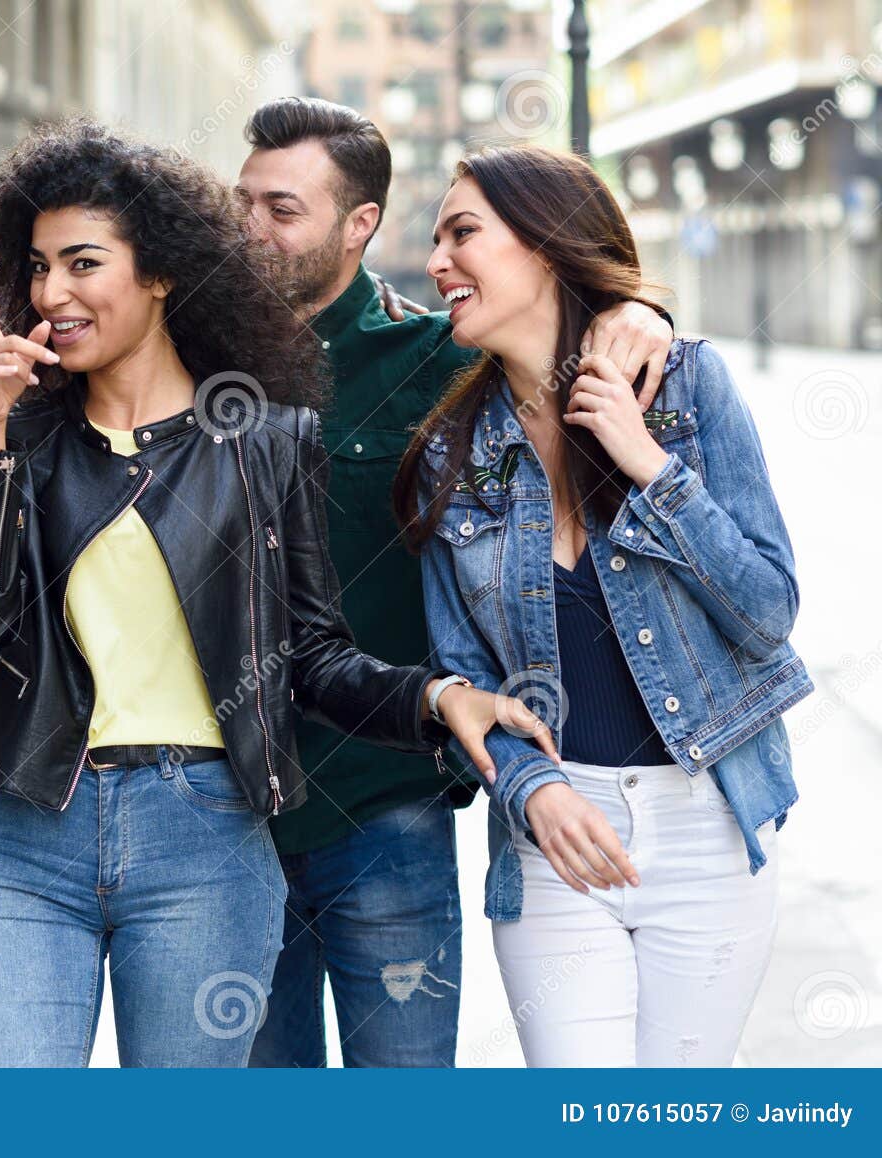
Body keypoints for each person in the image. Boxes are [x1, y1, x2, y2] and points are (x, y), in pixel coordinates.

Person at [0, 119, 548, 1067]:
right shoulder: (25, 430)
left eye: (83, 263)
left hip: (207, 835)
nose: (52, 293)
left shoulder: (267, 436)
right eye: (39, 266)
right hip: (27, 827)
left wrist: (435, 697)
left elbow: (311, 654)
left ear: (163, 271)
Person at [235, 95, 676, 1067]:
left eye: (280, 208)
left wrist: (640, 311)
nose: (249, 227)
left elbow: (561, 334)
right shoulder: (191, 356)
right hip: (228, 814)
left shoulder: (439, 362)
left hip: (385, 805)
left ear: (359, 228)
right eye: (242, 201)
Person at [393, 144, 809, 1067]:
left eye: (464, 233)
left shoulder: (687, 388)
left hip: (710, 820)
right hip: (556, 838)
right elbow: (462, 674)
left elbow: (769, 610)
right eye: (434, 241)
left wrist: (647, 464)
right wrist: (532, 789)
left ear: (546, 244)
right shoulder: (449, 456)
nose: (436, 263)